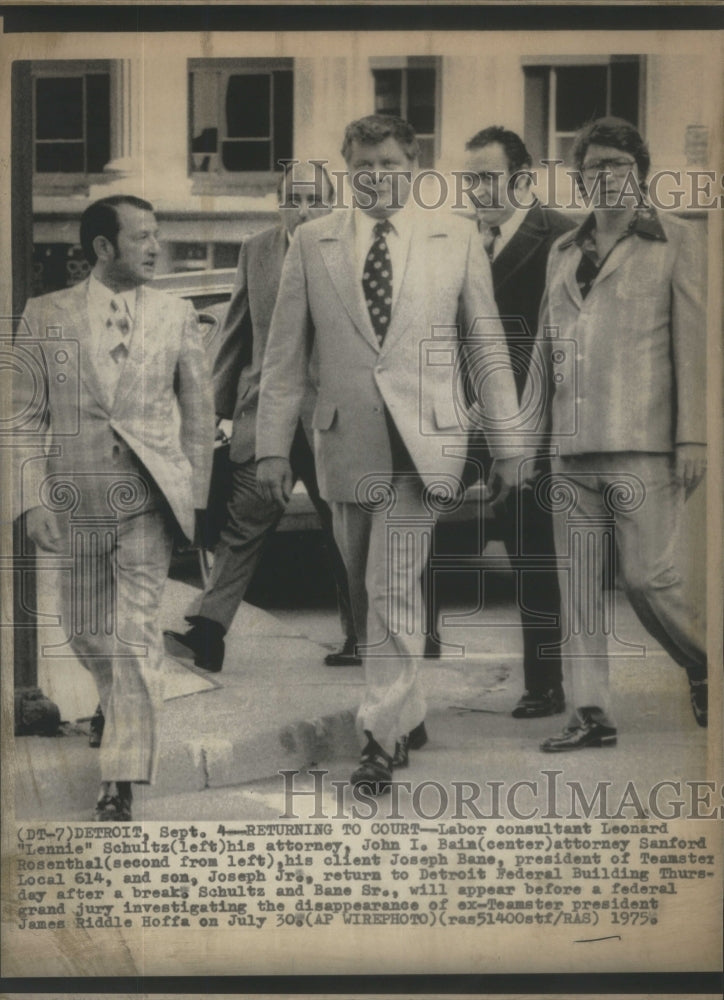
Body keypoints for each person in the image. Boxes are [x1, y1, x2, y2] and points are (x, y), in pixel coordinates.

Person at [256, 115, 522, 792]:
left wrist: (511, 441)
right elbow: (284, 359)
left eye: (391, 164)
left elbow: (486, 347)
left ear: (413, 167)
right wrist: (269, 449)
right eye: (364, 166)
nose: (377, 176)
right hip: (344, 443)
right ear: (349, 171)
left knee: (388, 586)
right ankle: (409, 706)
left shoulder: (455, 238)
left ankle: (380, 738)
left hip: (422, 444)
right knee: (359, 585)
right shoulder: (313, 243)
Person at [13, 195, 214, 818]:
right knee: (85, 634)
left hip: (148, 502)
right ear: (102, 247)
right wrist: (29, 500)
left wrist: (195, 498)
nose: (155, 247)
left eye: (158, 234)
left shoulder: (177, 313)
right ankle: (116, 700)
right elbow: (19, 414)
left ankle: (119, 778)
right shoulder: (45, 315)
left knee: (132, 636)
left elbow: (200, 415)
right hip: (77, 502)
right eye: (141, 237)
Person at [526, 117, 707, 751]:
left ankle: (704, 661)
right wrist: (529, 440)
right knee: (577, 590)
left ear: (640, 172)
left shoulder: (677, 241)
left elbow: (696, 350)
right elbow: (545, 350)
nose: (606, 178)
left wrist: (694, 439)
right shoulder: (563, 250)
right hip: (570, 450)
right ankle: (590, 713)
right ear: (579, 179)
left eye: (618, 166)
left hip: (644, 444)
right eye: (594, 168)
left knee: (646, 580)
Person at [163, 162, 359, 673]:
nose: (304, 208)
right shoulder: (257, 250)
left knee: (346, 532)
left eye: (316, 198)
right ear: (278, 202)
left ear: (333, 203)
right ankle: (208, 631)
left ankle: (361, 635)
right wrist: (215, 412)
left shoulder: (353, 249)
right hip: (266, 414)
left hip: (331, 418)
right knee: (242, 526)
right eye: (293, 197)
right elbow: (235, 337)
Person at [442, 126, 575, 719]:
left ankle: (544, 683)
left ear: (522, 179)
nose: (475, 190)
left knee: (530, 549)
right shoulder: (455, 237)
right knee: (406, 524)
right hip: (457, 418)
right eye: (468, 179)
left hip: (531, 421)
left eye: (487, 178)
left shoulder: (564, 239)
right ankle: (405, 674)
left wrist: (530, 432)